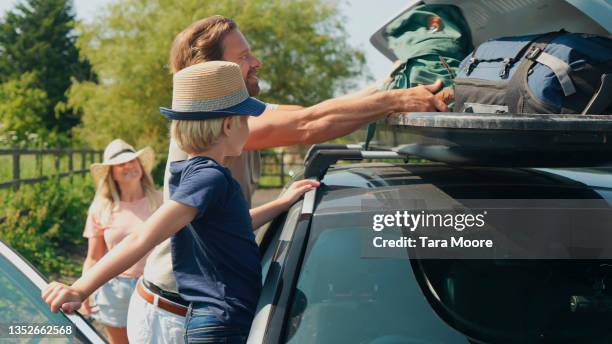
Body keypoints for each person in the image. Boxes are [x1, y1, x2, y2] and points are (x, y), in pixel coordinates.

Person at [131, 15, 452, 344]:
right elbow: (308, 126)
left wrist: (387, 86)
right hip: (177, 314)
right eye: (243, 57)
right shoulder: (216, 122)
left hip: (202, 310)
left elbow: (311, 111)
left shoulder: (238, 111)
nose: (257, 62)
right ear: (214, 73)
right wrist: (396, 101)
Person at [42, 61, 320, 343]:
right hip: (222, 323)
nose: (249, 128)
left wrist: (281, 203)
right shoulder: (209, 178)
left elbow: (233, 225)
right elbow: (142, 237)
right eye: (246, 120)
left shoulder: (189, 173)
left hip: (219, 320)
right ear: (227, 125)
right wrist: (79, 289)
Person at [81, 139, 162, 344]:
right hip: (115, 289)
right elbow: (94, 257)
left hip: (156, 285)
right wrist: (84, 291)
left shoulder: (162, 201)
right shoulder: (101, 208)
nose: (129, 166)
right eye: (121, 164)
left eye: (133, 161)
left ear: (141, 166)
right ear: (111, 173)